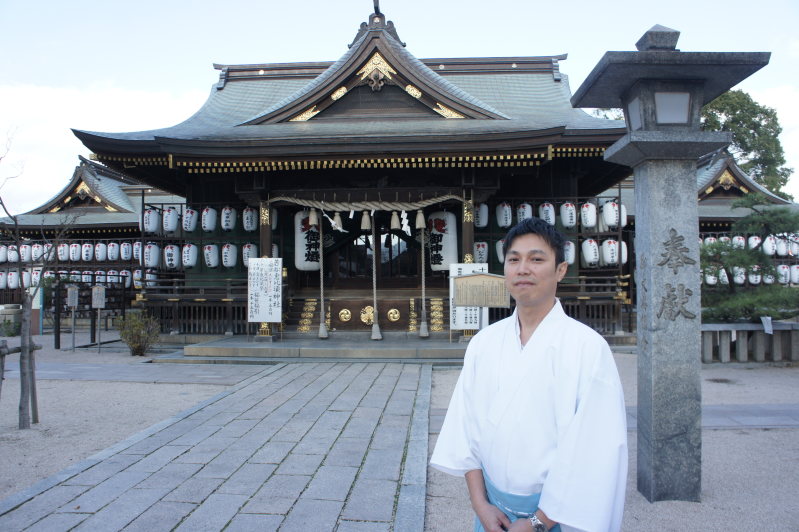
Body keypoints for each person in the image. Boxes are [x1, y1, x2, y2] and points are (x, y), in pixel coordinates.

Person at [430, 217, 628, 532]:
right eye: (514, 260)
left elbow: (595, 448)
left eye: (536, 259)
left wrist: (539, 522)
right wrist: (480, 504)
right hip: (492, 511)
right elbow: (466, 426)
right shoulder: (484, 342)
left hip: (557, 516)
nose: (523, 269)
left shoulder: (587, 348)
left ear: (560, 269)